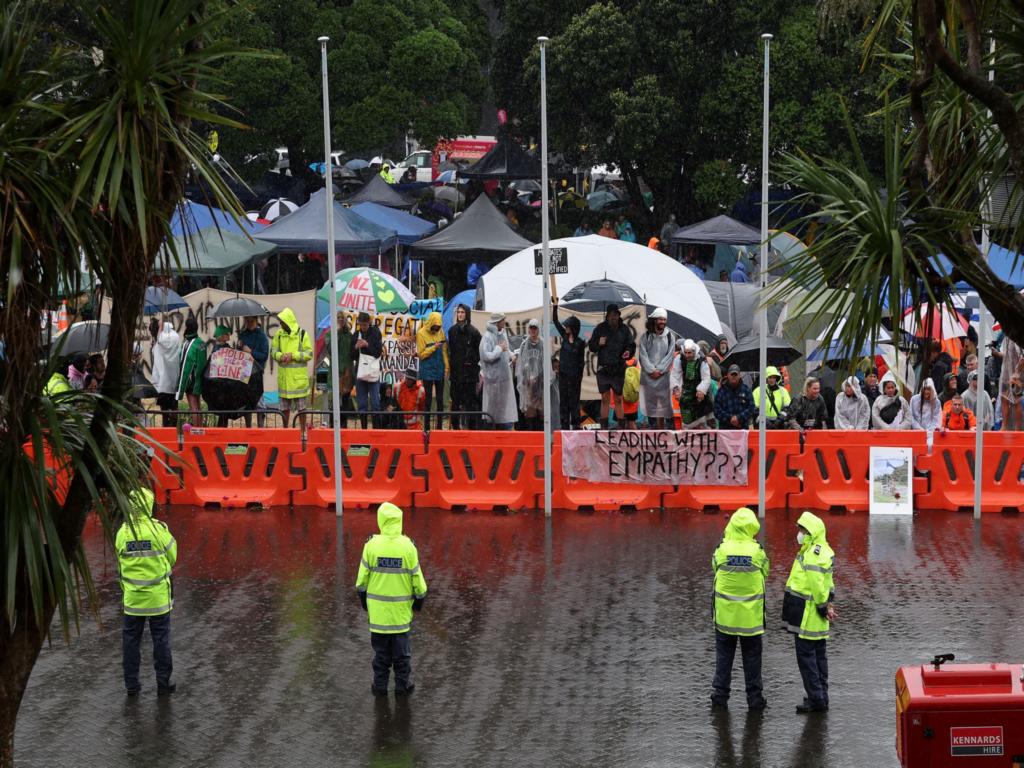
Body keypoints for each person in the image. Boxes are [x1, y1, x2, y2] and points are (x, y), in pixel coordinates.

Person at [355, 502, 427, 696]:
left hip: (378, 617)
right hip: (400, 617)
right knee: (402, 656)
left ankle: (380, 688)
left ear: (380, 520)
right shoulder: (408, 546)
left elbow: (361, 582)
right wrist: (419, 601)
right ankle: (402, 688)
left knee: (381, 656)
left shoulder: (371, 545)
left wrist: (364, 602)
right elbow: (419, 582)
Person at [116, 485, 177, 696]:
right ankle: (163, 684)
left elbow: (119, 563)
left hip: (133, 601)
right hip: (158, 600)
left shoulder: (123, 533)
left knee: (131, 642)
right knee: (161, 640)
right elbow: (173, 556)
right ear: (149, 505)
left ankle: (132, 685)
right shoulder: (159, 530)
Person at [711, 507, 769, 711]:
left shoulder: (722, 549)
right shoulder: (757, 551)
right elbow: (766, 571)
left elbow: (714, 567)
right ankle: (755, 699)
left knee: (724, 658)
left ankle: (720, 697)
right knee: (752, 659)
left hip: (725, 618)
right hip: (750, 620)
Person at [783, 511, 835, 714]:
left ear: (810, 532)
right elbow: (828, 583)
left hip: (808, 616)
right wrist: (829, 605)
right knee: (819, 658)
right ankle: (821, 695)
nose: (799, 534)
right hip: (815, 616)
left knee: (807, 660)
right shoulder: (823, 550)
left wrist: (822, 606)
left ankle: (816, 700)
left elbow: (817, 585)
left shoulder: (813, 553)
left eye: (802, 530)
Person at [587, 304, 634, 429]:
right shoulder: (600, 328)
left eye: (616, 315)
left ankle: (621, 428)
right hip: (603, 369)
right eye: (611, 315)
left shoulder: (624, 329)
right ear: (607, 316)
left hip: (619, 369)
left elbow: (631, 345)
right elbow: (591, 346)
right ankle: (604, 428)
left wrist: (628, 352)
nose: (613, 317)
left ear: (619, 315)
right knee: (604, 398)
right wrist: (598, 343)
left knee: (618, 399)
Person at [272, 308, 313, 430]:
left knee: (302, 409)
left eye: (282, 322)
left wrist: (293, 356)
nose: (280, 324)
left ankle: (303, 432)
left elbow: (309, 354)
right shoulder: (279, 335)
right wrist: (280, 356)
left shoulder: (302, 334)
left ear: (288, 321)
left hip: (298, 382)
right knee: (284, 409)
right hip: (284, 380)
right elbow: (273, 352)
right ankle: (286, 432)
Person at [638, 308, 677, 429]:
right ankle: (653, 430)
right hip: (648, 378)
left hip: (663, 377)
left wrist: (659, 370)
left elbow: (670, 356)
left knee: (664, 406)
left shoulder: (670, 337)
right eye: (660, 319)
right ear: (655, 320)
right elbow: (643, 355)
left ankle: (664, 431)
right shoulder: (645, 337)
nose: (663, 322)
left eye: (664, 319)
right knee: (650, 406)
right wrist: (651, 370)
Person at [479, 313, 518, 429]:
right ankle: (491, 427)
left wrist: (511, 355)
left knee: (503, 405)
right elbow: (486, 356)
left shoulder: (502, 334)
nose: (504, 322)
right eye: (503, 320)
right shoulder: (487, 337)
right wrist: (499, 349)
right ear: (497, 322)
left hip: (504, 377)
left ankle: (502, 428)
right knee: (493, 405)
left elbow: (506, 348)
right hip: (493, 379)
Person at [552, 297, 586, 430]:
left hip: (574, 378)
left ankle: (576, 426)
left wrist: (579, 378)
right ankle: (564, 426)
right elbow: (555, 321)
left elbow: (581, 362)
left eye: (568, 326)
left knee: (574, 402)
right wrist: (555, 306)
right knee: (564, 402)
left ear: (573, 328)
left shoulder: (580, 343)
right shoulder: (564, 338)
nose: (565, 327)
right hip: (563, 376)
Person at [447, 304, 482, 429]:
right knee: (455, 403)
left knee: (470, 404)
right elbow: (451, 351)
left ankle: (472, 429)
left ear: (467, 314)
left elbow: (479, 352)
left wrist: (471, 362)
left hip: (469, 375)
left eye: (462, 312)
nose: (460, 314)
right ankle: (456, 428)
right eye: (459, 312)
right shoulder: (452, 331)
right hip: (456, 374)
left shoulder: (474, 332)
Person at [415, 311, 448, 431]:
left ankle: (439, 428)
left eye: (439, 327)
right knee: (428, 399)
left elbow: (444, 351)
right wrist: (434, 347)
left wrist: (446, 367)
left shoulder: (440, 331)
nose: (437, 329)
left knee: (440, 399)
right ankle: (427, 428)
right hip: (427, 370)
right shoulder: (421, 333)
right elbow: (421, 354)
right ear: (431, 324)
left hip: (439, 369)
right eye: (435, 326)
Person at [351, 311, 383, 429]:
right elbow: (352, 355)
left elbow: (378, 352)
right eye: (361, 325)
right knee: (362, 404)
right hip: (360, 372)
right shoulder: (356, 334)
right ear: (358, 323)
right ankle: (364, 430)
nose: (363, 327)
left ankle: (376, 430)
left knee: (375, 403)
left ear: (369, 322)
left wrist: (367, 345)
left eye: (365, 325)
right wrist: (355, 347)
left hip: (373, 372)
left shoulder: (376, 332)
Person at [671, 339, 712, 428]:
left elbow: (706, 377)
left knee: (702, 418)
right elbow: (675, 375)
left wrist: (702, 390)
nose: (687, 355)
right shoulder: (679, 358)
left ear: (694, 351)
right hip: (685, 391)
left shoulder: (701, 359)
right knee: (686, 418)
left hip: (699, 392)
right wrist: (676, 388)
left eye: (689, 353)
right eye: (686, 352)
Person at [237, 315, 270, 428]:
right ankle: (248, 428)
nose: (249, 323)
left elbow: (264, 356)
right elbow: (238, 353)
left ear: (256, 321)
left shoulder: (262, 337)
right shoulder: (243, 335)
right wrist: (239, 347)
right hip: (244, 372)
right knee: (247, 401)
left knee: (259, 400)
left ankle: (260, 429)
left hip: (257, 373)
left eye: (252, 321)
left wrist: (251, 352)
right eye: (247, 321)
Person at [515, 319, 546, 430]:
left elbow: (546, 364)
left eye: (535, 328)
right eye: (531, 328)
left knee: (542, 411)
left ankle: (541, 434)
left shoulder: (543, 344)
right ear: (528, 329)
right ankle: (531, 433)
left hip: (541, 382)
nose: (533, 330)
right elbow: (520, 365)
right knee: (530, 410)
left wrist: (540, 378)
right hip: (528, 383)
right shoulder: (524, 345)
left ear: (538, 329)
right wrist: (525, 378)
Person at [151, 319, 181, 427]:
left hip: (162, 384)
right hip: (174, 382)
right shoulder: (175, 338)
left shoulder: (160, 342)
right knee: (174, 408)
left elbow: (160, 341)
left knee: (164, 411)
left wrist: (160, 328)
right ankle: (174, 429)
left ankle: (166, 429)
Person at [176, 316, 206, 414]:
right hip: (199, 380)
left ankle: (196, 425)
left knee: (194, 408)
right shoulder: (201, 343)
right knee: (198, 408)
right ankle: (200, 424)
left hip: (191, 382)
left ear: (187, 327)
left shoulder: (188, 345)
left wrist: (181, 388)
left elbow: (185, 367)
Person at [714, 364, 756, 429]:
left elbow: (751, 408)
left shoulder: (746, 390)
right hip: (725, 430)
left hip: (742, 429)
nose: (733, 377)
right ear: (728, 375)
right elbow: (716, 410)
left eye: (735, 375)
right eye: (732, 374)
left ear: (739, 376)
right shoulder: (721, 391)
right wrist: (730, 418)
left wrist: (739, 418)